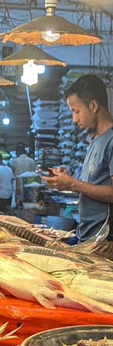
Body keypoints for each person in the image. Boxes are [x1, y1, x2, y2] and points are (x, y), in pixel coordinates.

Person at [44, 75, 113, 242]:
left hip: (105, 240)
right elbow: (95, 185)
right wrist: (68, 180)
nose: (74, 119)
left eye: (77, 111)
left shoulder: (111, 140)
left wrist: (73, 184)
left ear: (93, 106)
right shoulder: (96, 140)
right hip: (89, 236)